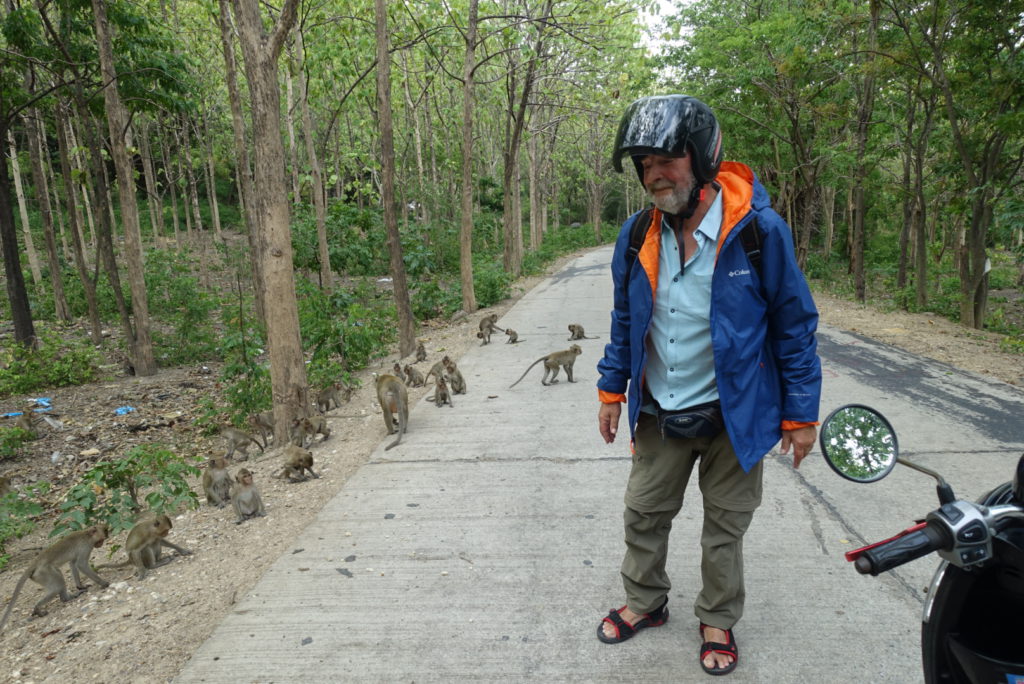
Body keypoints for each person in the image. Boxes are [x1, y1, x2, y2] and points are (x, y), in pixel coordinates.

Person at [595, 94, 821, 676]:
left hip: (735, 412)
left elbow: (794, 326)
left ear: (701, 159)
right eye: (644, 166)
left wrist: (800, 413)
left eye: (665, 160)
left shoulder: (758, 233)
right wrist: (611, 388)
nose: (654, 176)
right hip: (660, 410)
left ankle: (717, 616)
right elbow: (626, 317)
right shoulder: (637, 233)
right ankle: (646, 603)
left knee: (725, 525)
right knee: (643, 514)